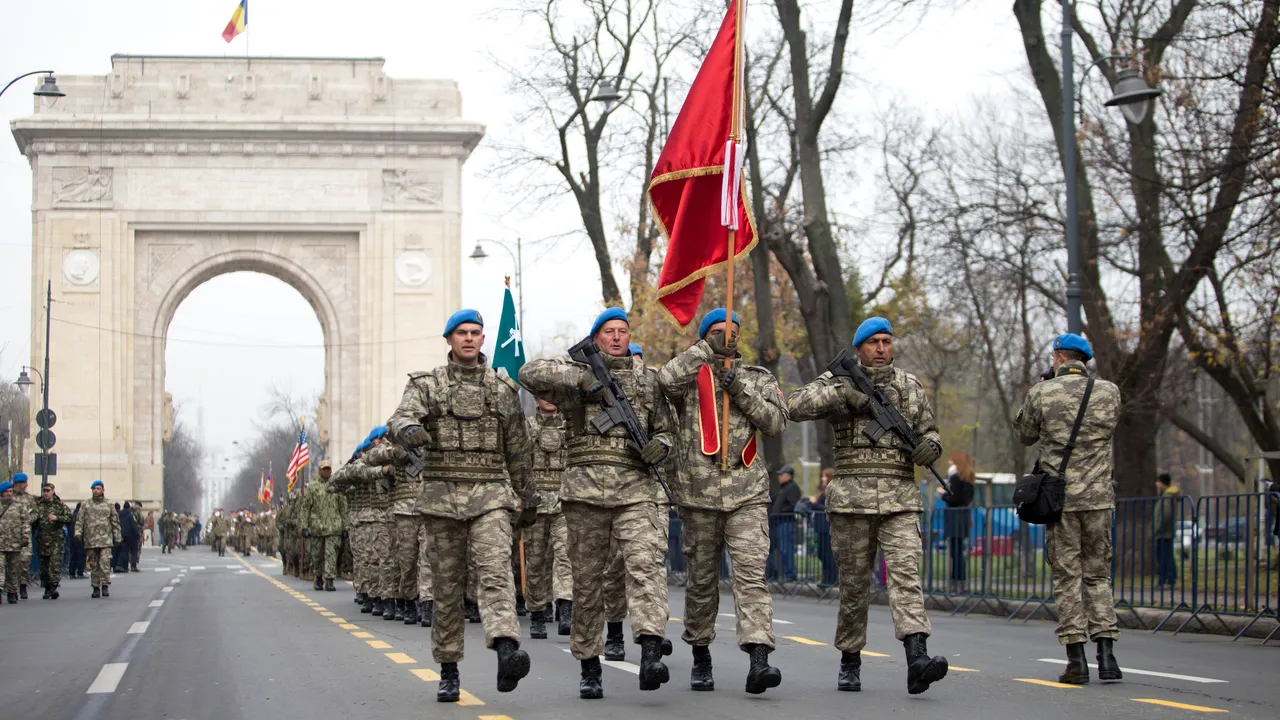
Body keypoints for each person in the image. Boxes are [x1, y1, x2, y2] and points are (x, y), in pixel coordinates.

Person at [787, 316, 949, 695]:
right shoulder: (838, 381)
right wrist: (843, 395)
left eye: (886, 341)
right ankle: (850, 658)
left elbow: (929, 429)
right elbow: (794, 406)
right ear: (859, 349)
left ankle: (917, 658)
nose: (881, 349)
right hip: (851, 500)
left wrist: (932, 447)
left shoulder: (909, 386)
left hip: (900, 498)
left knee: (906, 577)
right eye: (873, 342)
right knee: (855, 586)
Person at [521, 306, 675, 699]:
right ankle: (590, 666)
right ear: (596, 338)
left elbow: (667, 428)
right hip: (584, 495)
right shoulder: (575, 378)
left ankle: (652, 650)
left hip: (636, 492)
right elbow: (528, 374)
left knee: (646, 570)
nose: (618, 337)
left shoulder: (648, 380)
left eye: (624, 330)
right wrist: (582, 378)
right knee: (587, 585)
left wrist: (662, 446)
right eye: (609, 331)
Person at [388, 308, 536, 701]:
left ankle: (506, 647)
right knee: (447, 588)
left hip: (491, 497)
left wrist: (529, 497)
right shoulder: (427, 385)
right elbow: (400, 418)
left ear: (483, 340)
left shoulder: (501, 390)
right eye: (461, 333)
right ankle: (449, 668)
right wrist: (411, 430)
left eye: (475, 333)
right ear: (449, 340)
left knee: (495, 573)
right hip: (441, 500)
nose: (469, 339)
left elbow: (518, 451)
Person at [656, 308, 786, 694]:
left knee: (751, 578)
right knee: (701, 581)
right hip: (698, 495)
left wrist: (739, 390)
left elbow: (776, 424)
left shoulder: (757, 378)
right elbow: (664, 382)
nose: (724, 338)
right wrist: (703, 352)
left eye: (731, 332)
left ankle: (759, 658)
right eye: (716, 332)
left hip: (746, 493)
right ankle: (700, 653)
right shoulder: (689, 377)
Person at [1015, 332, 1122, 685]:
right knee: (1097, 576)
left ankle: (1076, 659)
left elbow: (1025, 433)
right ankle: (1107, 656)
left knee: (1067, 578)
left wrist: (1042, 387)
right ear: (1084, 360)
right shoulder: (1109, 392)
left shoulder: (1043, 393)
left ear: (1058, 358)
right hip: (1099, 499)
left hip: (1059, 501)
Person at [524, 398, 575, 640]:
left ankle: (565, 607)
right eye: (542, 394)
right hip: (535, 504)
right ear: (535, 399)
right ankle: (536, 611)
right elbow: (517, 463)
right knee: (536, 562)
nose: (548, 399)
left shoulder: (571, 425)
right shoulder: (527, 427)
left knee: (565, 555)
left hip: (564, 502)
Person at [301, 459, 347, 592]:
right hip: (318, 527)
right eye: (324, 469)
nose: (326, 471)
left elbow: (343, 507)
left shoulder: (337, 486)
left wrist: (345, 527)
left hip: (334, 527)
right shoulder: (313, 487)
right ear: (320, 470)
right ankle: (319, 577)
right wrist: (304, 526)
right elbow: (305, 508)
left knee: (331, 555)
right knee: (317, 555)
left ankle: (330, 580)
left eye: (328, 469)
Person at [74, 480, 122, 598]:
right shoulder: (86, 505)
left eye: (98, 488)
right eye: (94, 489)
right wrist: (78, 533)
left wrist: (117, 537)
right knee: (94, 565)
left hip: (105, 540)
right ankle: (95, 587)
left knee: (105, 563)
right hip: (90, 540)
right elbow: (79, 521)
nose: (96, 491)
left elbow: (114, 522)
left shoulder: (109, 505)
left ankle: (105, 585)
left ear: (103, 490)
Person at [938, 451, 975, 594]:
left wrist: (943, 494)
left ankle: (956, 582)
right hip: (963, 516)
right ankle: (961, 582)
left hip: (954, 517)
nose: (949, 463)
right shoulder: (969, 476)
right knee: (959, 551)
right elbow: (966, 499)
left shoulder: (955, 477)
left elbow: (953, 498)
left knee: (955, 552)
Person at [33, 482, 72, 599]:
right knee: (44, 567)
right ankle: (48, 587)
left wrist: (57, 518)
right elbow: (32, 521)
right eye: (44, 491)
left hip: (55, 540)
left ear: (53, 491)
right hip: (42, 540)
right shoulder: (38, 505)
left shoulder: (59, 505)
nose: (45, 493)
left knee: (54, 565)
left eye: (47, 491)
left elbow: (69, 518)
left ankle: (53, 586)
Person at [768, 466, 801, 581]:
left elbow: (793, 505)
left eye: (781, 475)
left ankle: (790, 574)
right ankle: (786, 573)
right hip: (779, 523)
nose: (779, 477)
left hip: (786, 522)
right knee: (782, 549)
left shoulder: (792, 488)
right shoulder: (783, 488)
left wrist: (778, 513)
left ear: (788, 475)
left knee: (786, 548)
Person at [0, 481, 31, 603]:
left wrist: (25, 537)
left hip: (15, 543)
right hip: (1, 543)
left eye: (10, 491)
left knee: (13, 569)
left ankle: (12, 591)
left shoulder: (19, 506)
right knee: (0, 568)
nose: (9, 494)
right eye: (6, 492)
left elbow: (25, 523)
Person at [9, 473, 36, 598]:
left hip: (24, 533)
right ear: (17, 484)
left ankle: (23, 585)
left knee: (25, 560)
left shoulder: (29, 499)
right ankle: (12, 587)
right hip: (9, 535)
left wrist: (28, 520)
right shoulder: (9, 496)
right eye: (23, 483)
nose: (26, 486)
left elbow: (36, 513)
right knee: (12, 563)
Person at [1152, 473, 1180, 589]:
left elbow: (1166, 513)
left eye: (1158, 481)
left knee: (1164, 557)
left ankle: (1166, 580)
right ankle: (1168, 579)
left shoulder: (1167, 496)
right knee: (1166, 556)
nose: (1156, 484)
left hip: (1164, 532)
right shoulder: (1166, 495)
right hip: (1165, 531)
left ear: (1162, 483)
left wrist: (1158, 527)